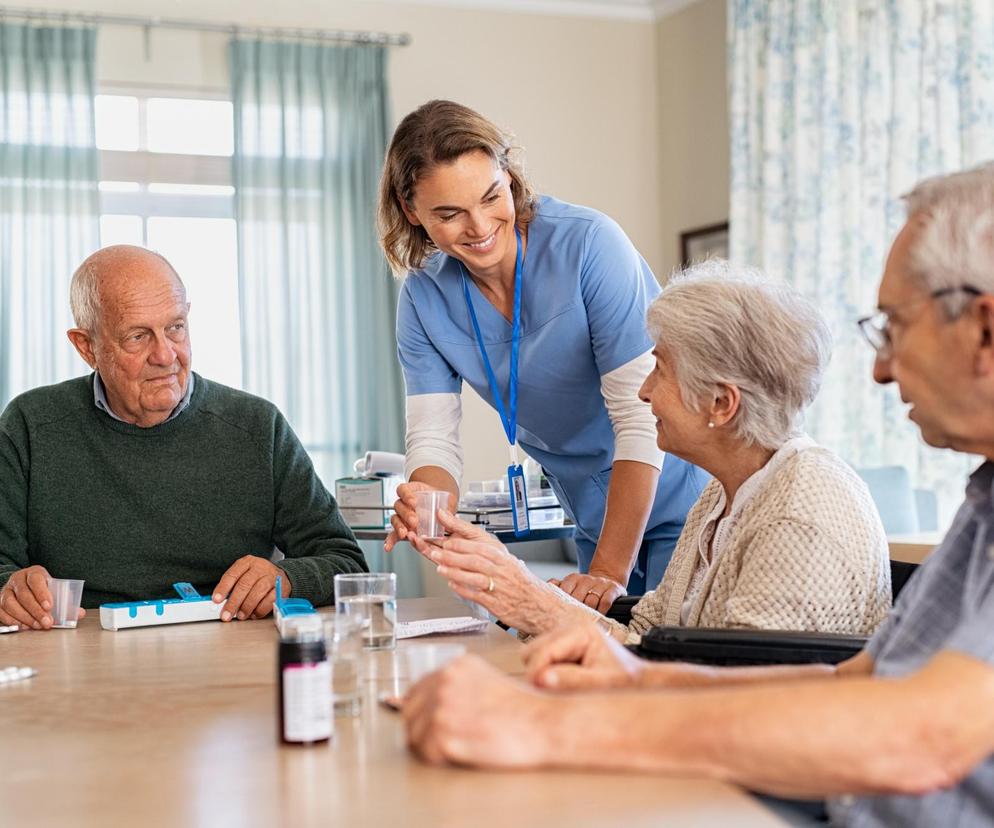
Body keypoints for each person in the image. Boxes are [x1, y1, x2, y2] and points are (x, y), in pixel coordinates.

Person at [403, 164, 994, 826]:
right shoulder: (976, 505)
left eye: (891, 326)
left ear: (984, 330)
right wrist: (636, 678)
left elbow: (918, 734)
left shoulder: (806, 502)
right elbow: (856, 679)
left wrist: (545, 725)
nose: (881, 367)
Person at [410, 263, 891, 639]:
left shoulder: (796, 517)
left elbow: (733, 698)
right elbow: (647, 636)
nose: (644, 392)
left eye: (659, 370)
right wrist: (521, 593)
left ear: (720, 403)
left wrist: (534, 600)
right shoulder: (725, 497)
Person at [379, 99, 709, 606]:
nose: (480, 225)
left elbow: (640, 420)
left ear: (509, 176)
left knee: (669, 664)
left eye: (492, 196)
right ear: (411, 212)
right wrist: (427, 502)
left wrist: (607, 575)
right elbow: (433, 441)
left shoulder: (590, 246)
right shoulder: (424, 298)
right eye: (449, 214)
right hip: (593, 514)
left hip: (682, 495)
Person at [0, 245, 366, 630]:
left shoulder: (257, 426)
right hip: (79, 656)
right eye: (138, 336)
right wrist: (10, 589)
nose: (165, 355)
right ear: (86, 346)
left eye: (175, 328)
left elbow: (345, 562)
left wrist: (288, 578)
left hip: (224, 652)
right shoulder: (30, 425)